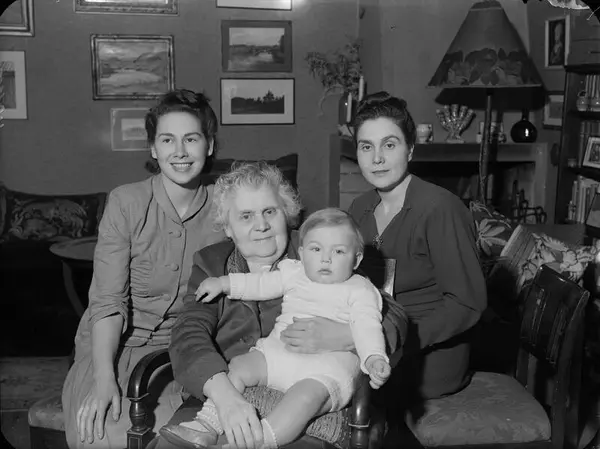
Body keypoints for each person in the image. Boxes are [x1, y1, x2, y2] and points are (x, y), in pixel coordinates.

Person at [155, 162, 408, 449]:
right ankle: (206, 426)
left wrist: (346, 336)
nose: (261, 225)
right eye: (246, 216)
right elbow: (188, 333)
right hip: (229, 391)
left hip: (312, 400)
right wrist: (226, 398)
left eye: (270, 212)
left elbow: (393, 315)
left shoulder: (319, 246)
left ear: (286, 214)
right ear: (228, 227)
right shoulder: (211, 263)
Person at [62, 89, 226, 448]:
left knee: (185, 437)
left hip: (189, 347)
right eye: (167, 140)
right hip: (118, 347)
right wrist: (104, 378)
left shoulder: (226, 205)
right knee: (102, 436)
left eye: (191, 139)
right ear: (153, 149)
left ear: (209, 145)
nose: (179, 151)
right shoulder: (126, 202)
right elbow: (108, 301)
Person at [182, 207, 391, 448]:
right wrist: (223, 283)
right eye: (316, 249)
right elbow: (259, 284)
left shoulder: (361, 290)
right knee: (240, 366)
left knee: (304, 398)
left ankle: (261, 441)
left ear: (357, 259)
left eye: (339, 251)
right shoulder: (294, 272)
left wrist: (374, 357)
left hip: (325, 371)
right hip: (277, 356)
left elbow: (368, 327)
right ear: (302, 253)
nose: (326, 258)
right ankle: (207, 424)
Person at [348, 92, 487, 413]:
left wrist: (395, 341)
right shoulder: (359, 207)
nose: (377, 158)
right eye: (366, 147)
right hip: (374, 339)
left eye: (389, 145)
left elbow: (467, 304)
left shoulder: (440, 209)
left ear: (410, 149)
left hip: (425, 355)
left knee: (333, 389)